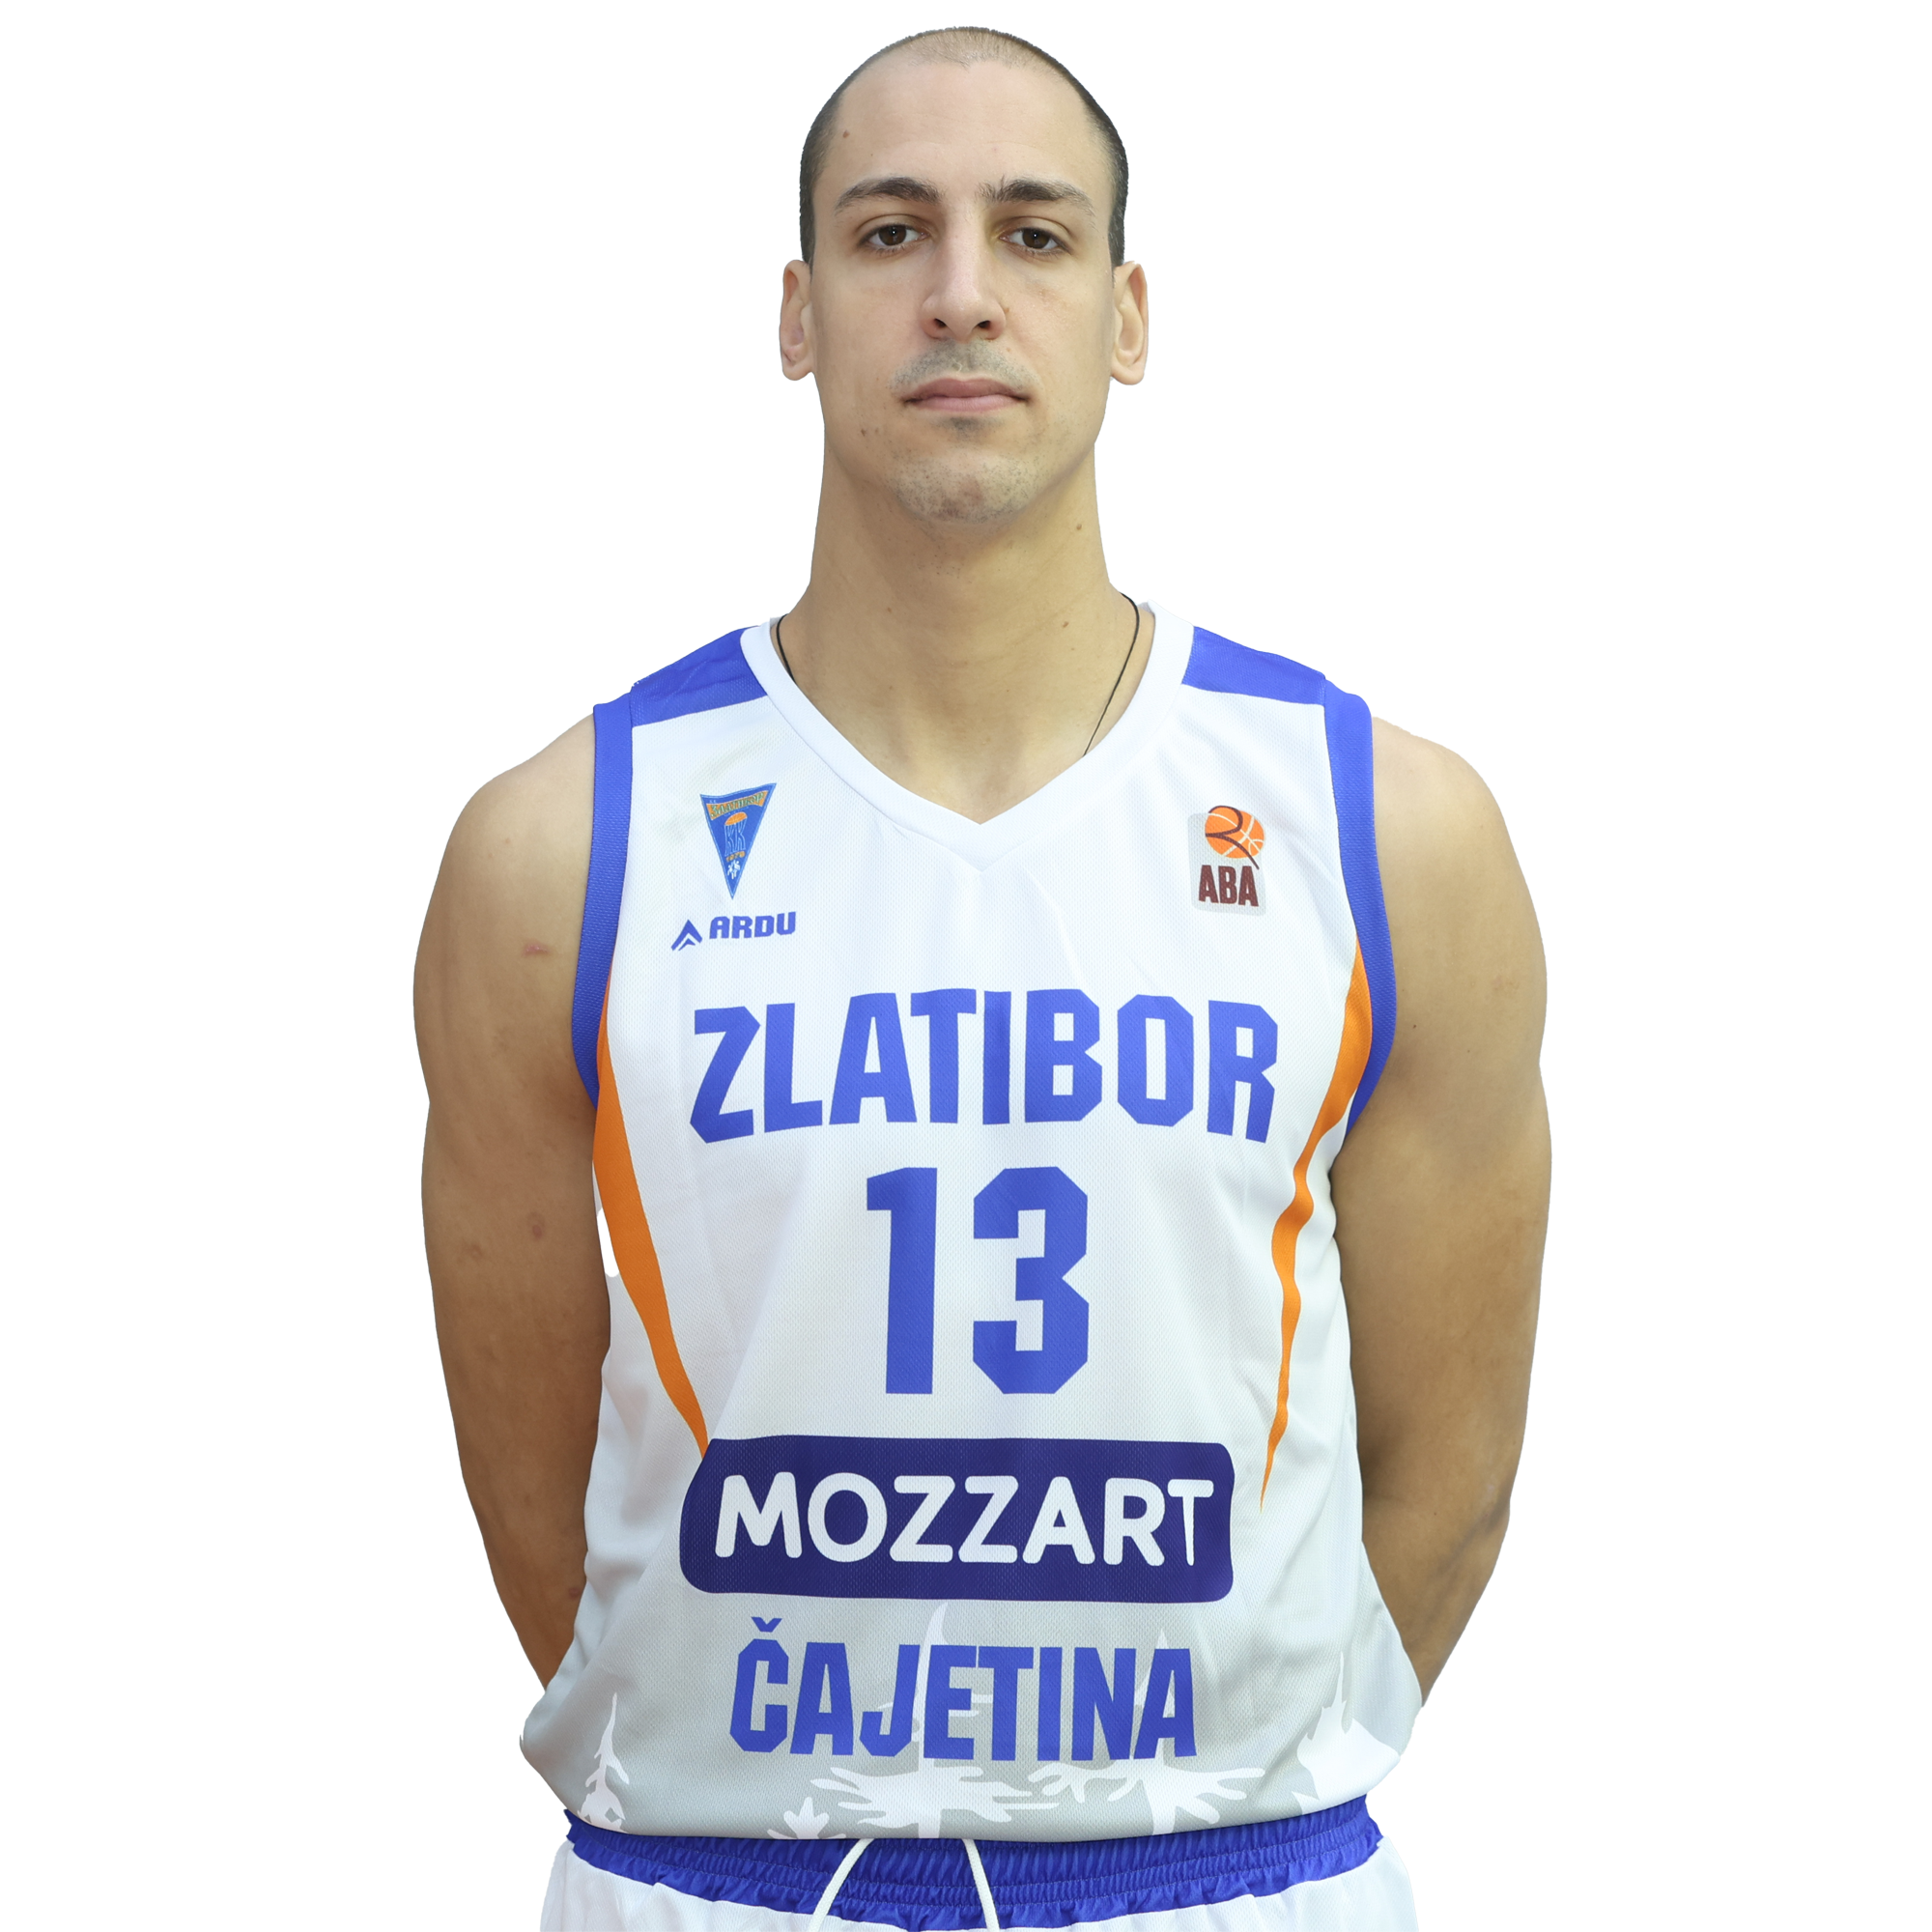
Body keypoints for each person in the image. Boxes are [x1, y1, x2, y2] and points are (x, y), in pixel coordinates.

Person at [414, 26, 1548, 1932]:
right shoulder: (565, 851)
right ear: (799, 314)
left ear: (1124, 314)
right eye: (889, 233)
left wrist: (1200, 1801)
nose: (960, 293)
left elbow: (1447, 1485)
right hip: (722, 1878)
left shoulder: (1382, 829)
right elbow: (545, 1515)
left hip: (1227, 1876)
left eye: (1033, 233)